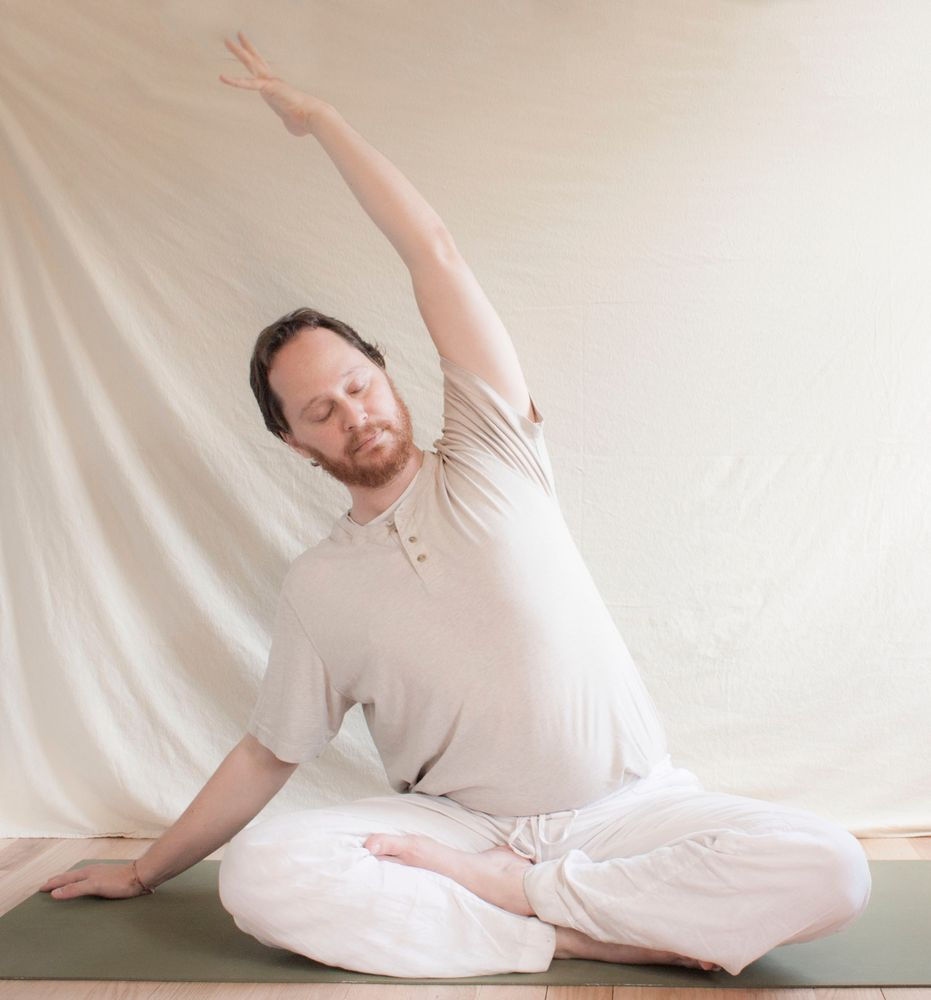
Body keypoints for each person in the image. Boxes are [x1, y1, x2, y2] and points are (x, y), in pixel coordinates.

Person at [38, 31, 872, 979]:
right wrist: (144, 871)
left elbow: (432, 252)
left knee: (830, 868)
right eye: (319, 411)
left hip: (629, 809)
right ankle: (564, 926)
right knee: (262, 876)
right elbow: (268, 755)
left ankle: (523, 900)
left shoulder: (492, 453)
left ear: (385, 374)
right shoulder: (318, 586)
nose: (351, 413)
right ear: (295, 443)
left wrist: (323, 123)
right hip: (459, 828)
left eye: (356, 385)